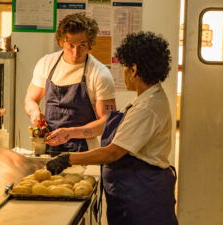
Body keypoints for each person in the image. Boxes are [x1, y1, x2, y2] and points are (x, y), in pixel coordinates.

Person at [47, 31, 178, 225]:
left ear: (133, 70)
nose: (123, 73)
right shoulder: (146, 98)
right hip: (133, 193)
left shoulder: (147, 107)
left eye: (124, 68)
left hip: (142, 198)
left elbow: (113, 153)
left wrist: (68, 159)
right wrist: (70, 133)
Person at [24, 13, 116, 155]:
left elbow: (107, 121)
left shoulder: (100, 74)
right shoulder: (46, 64)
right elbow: (31, 100)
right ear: (61, 41)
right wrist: (34, 113)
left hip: (84, 151)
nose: (76, 52)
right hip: (48, 146)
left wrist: (70, 133)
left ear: (90, 43)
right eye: (71, 45)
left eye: (82, 45)